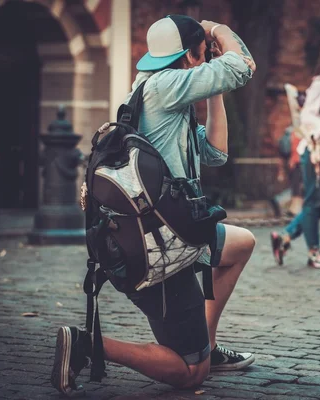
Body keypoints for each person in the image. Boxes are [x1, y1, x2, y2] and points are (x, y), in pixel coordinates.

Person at [51, 16, 257, 396]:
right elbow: (242, 66)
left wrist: (213, 88)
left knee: (241, 244)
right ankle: (87, 345)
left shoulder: (159, 94)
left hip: (169, 228)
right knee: (192, 374)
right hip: (158, 249)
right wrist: (219, 31)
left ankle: (206, 346)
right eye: (202, 53)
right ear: (191, 56)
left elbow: (215, 154)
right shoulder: (164, 87)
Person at [270, 38, 320, 268]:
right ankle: (314, 252)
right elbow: (307, 116)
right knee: (313, 202)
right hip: (314, 152)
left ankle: (285, 235)